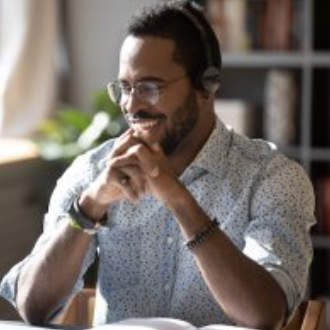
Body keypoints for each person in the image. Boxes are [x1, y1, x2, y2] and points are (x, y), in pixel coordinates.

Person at [0, 0, 315, 329]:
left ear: (206, 85)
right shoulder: (93, 172)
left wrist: (177, 198)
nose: (131, 105)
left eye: (150, 87)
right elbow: (32, 308)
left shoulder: (274, 178)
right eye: (124, 88)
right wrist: (89, 207)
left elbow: (264, 315)